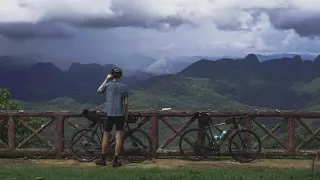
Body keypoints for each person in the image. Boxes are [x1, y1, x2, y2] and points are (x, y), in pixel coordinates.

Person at [95, 67, 129, 167]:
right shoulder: (124, 87)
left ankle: (103, 160)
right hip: (119, 115)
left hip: (109, 114)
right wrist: (125, 114)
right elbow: (126, 103)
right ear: (120, 76)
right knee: (118, 136)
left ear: (112, 75)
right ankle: (115, 161)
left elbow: (99, 91)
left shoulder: (108, 85)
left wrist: (106, 79)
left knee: (106, 135)